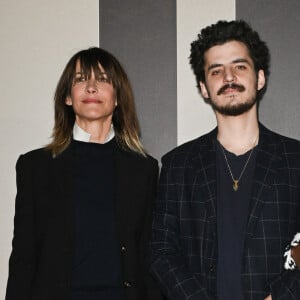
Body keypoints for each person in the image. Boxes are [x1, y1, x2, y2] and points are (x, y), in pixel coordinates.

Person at [149, 20, 300, 300]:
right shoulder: (177, 165)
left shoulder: (296, 160)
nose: (229, 77)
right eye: (216, 70)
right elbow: (161, 251)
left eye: (240, 66)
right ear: (204, 88)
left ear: (260, 78)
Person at [6, 47, 163, 300]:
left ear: (118, 97)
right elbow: (23, 257)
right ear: (68, 97)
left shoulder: (143, 169)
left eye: (102, 79)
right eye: (80, 79)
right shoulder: (35, 166)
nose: (91, 87)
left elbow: (148, 257)